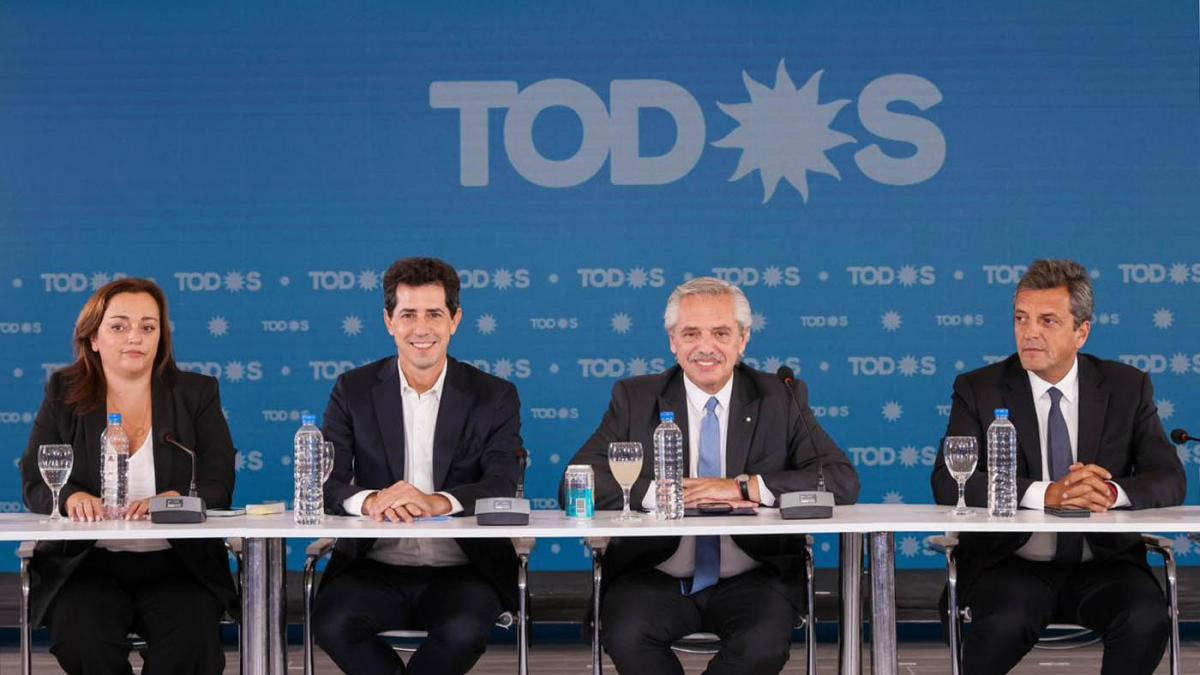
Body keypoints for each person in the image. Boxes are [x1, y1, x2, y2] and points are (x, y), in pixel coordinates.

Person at [563, 277, 859, 675]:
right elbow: (576, 481)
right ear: (673, 341)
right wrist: (665, 493)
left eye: (721, 333)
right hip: (654, 573)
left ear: (743, 339)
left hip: (754, 575)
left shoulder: (780, 397)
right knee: (628, 635)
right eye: (691, 334)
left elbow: (840, 479)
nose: (706, 347)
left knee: (761, 645)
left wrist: (743, 486)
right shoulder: (635, 398)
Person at [931, 259, 1185, 675]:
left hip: (1104, 564)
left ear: (1081, 332)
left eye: (1047, 321)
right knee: (1001, 626)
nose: (1029, 332)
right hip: (1011, 565)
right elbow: (948, 481)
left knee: (1145, 620)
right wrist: (1047, 494)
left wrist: (1109, 493)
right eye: (1021, 318)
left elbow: (1169, 478)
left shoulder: (1126, 386)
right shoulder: (979, 388)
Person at [313, 257, 523, 675]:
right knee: (332, 623)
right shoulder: (353, 390)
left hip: (464, 570)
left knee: (464, 630)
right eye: (408, 314)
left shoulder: (494, 395)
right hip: (373, 568)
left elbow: (502, 483)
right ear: (389, 321)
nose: (421, 328)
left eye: (434, 314)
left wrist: (436, 502)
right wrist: (371, 500)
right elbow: (324, 482)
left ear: (455, 320)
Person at [20, 278, 238, 675]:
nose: (135, 336)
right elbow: (35, 478)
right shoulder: (64, 392)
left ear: (160, 338)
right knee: (83, 637)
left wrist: (176, 500)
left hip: (178, 565)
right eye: (119, 326)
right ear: (93, 338)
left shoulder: (196, 392)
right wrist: (69, 497)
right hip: (87, 565)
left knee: (192, 642)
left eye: (147, 327)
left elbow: (218, 483)